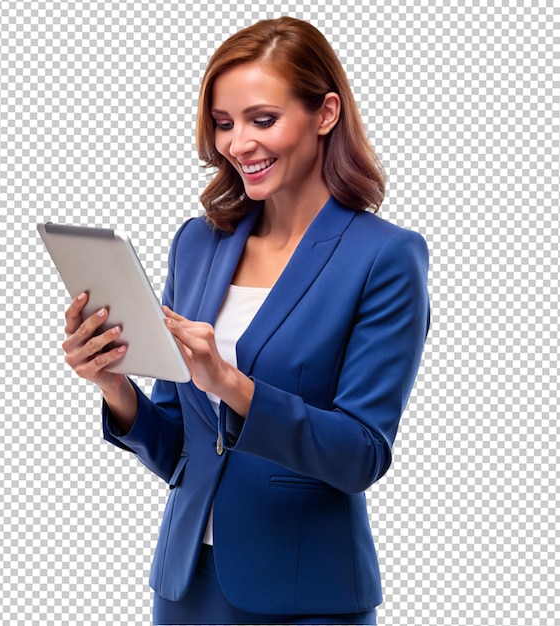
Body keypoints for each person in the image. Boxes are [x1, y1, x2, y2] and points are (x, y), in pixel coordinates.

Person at [62, 16, 430, 626]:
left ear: (326, 113)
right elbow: (179, 445)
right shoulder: (199, 245)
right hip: (186, 586)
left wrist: (229, 383)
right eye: (224, 124)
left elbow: (362, 454)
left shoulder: (384, 257)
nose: (238, 144)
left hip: (308, 595)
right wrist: (113, 383)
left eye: (263, 120)